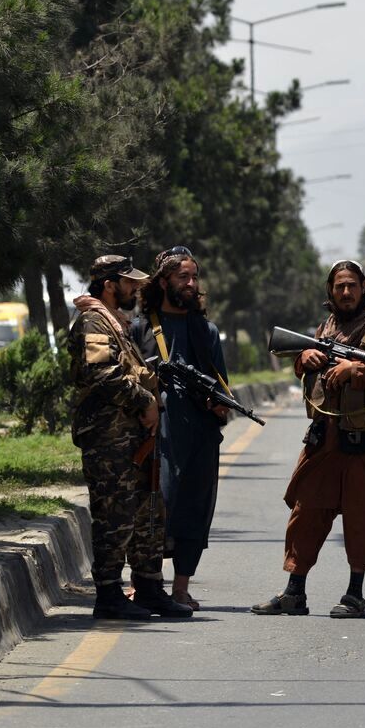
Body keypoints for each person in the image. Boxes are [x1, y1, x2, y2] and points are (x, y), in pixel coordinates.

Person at [252, 260, 365, 618]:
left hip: (362, 443)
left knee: (362, 519)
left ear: (363, 287)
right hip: (323, 439)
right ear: (330, 291)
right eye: (340, 286)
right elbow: (305, 367)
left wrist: (356, 369)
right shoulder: (326, 328)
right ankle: (295, 592)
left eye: (352, 285)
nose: (346, 292)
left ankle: (354, 595)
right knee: (305, 514)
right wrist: (304, 358)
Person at [68, 255, 193, 620]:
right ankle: (108, 594)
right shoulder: (94, 322)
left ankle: (150, 588)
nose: (136, 288)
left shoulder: (115, 322)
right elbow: (101, 375)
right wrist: (144, 401)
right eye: (128, 282)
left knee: (148, 513)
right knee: (114, 515)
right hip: (109, 440)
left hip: (132, 438)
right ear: (109, 284)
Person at [129, 246, 229, 611]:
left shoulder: (206, 331)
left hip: (199, 435)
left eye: (194, 277)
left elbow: (222, 386)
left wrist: (217, 403)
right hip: (157, 434)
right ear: (164, 282)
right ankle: (145, 585)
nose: (190, 284)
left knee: (193, 511)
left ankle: (181, 589)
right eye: (182, 277)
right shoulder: (140, 328)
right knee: (156, 507)